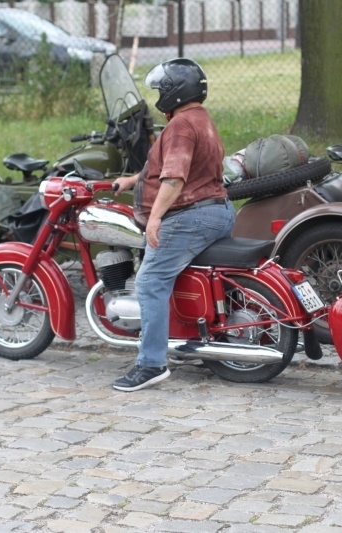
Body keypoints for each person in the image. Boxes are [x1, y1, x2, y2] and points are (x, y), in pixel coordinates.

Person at [110, 58, 235, 392]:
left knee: (150, 280)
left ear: (173, 92)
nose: (158, 93)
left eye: (161, 88)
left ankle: (151, 364)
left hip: (191, 215)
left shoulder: (180, 126)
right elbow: (172, 166)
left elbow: (175, 178)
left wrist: (154, 218)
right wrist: (132, 180)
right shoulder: (199, 119)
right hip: (215, 210)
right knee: (165, 274)